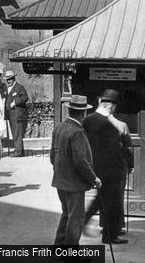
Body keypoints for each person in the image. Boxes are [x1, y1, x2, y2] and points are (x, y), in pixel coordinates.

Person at [51, 95, 100, 246]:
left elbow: (53, 157)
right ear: (83, 113)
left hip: (60, 181)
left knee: (67, 214)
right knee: (76, 219)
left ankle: (59, 246)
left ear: (70, 111)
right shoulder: (77, 131)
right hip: (74, 184)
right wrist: (93, 179)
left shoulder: (59, 127)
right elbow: (80, 161)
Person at [83, 89, 128, 245]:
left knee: (101, 200)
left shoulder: (87, 120)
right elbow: (114, 150)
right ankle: (110, 236)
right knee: (111, 202)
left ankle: (85, 220)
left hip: (94, 167)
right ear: (111, 106)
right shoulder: (108, 124)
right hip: (110, 169)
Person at [108, 113, 134, 236]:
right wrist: (130, 165)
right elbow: (129, 147)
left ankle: (105, 225)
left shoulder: (95, 125)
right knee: (118, 197)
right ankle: (117, 227)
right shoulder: (122, 125)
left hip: (102, 165)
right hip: (118, 165)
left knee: (104, 197)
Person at [3, 70, 29, 157]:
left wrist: (16, 102)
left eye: (10, 79)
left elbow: (25, 97)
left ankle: (18, 152)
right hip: (10, 114)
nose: (9, 81)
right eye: (7, 79)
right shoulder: (7, 88)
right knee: (14, 132)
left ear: (14, 78)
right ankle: (20, 151)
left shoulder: (19, 87)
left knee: (17, 132)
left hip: (18, 114)